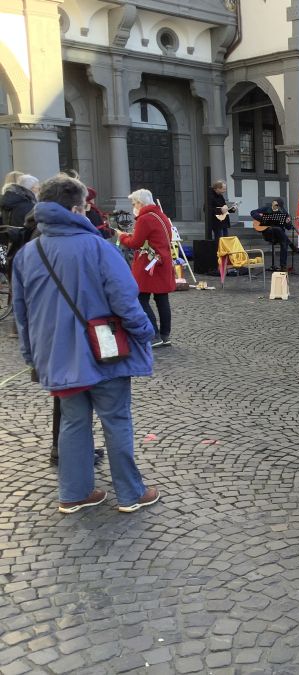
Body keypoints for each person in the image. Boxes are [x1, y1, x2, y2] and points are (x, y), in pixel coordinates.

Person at [12, 174, 159, 514]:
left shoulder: (28, 254)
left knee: (73, 423)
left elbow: (22, 315)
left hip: (57, 355)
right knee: (116, 419)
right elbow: (125, 298)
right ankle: (130, 493)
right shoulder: (97, 247)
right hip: (103, 351)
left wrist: (32, 356)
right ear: (78, 208)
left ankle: (74, 493)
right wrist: (144, 332)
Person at [116, 189, 176, 348]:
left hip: (149, 266)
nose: (134, 206)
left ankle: (154, 335)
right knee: (162, 299)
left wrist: (122, 236)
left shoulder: (144, 219)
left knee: (141, 299)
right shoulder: (161, 215)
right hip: (162, 262)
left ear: (141, 203)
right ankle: (165, 335)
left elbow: (135, 243)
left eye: (134, 203)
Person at [251, 198, 297, 271]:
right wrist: (262, 219)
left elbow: (288, 227)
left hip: (279, 236)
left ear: (280, 206)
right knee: (279, 231)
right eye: (273, 203)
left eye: (276, 204)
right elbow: (253, 212)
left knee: (283, 242)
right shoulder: (266, 209)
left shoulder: (284, 213)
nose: (273, 205)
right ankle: (291, 245)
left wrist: (288, 222)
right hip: (268, 234)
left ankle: (283, 266)